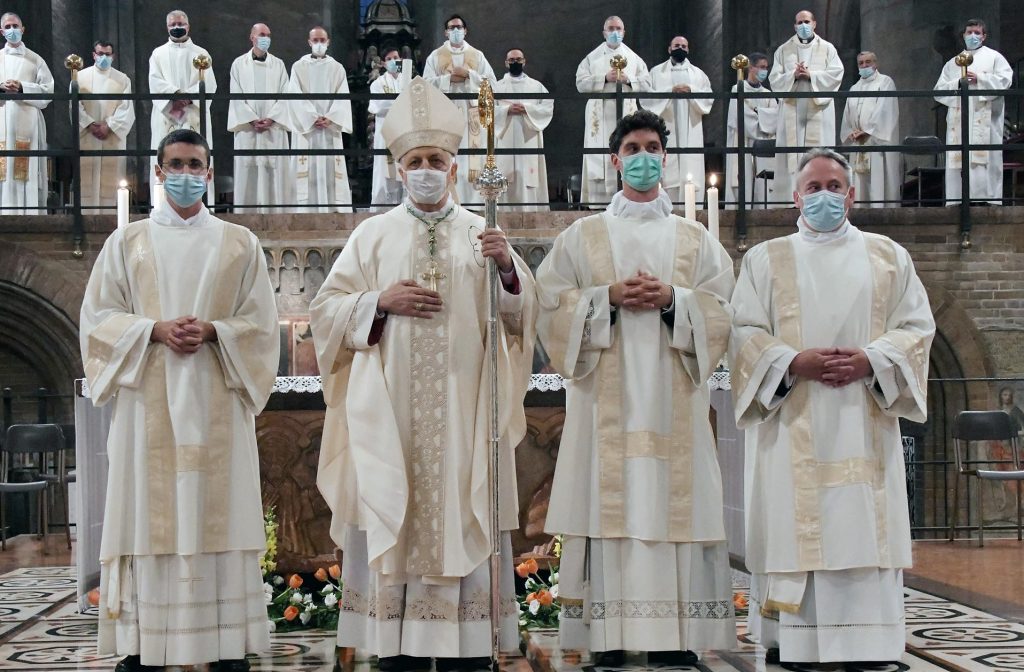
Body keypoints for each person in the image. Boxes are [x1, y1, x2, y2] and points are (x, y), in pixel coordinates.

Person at [310, 76, 536, 672]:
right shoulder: (372, 235)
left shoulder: (481, 235)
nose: (427, 169)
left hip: (465, 414)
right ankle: (398, 652)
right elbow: (326, 312)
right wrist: (378, 302)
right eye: (416, 160)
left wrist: (509, 269)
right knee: (394, 506)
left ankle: (464, 651)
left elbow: (521, 318)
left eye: (437, 159)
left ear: (456, 168)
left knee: (462, 510)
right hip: (391, 416)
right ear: (398, 169)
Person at [537, 109, 736, 666]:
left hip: (675, 402)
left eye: (653, 147)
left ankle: (674, 641)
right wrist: (608, 299)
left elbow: (725, 313)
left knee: (676, 507)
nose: (643, 157)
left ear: (666, 158)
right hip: (606, 403)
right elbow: (548, 307)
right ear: (614, 159)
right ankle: (610, 637)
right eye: (632, 148)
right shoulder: (583, 236)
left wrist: (675, 300)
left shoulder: (694, 240)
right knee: (610, 509)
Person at [81, 129, 280, 672]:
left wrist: (216, 331)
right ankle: (145, 648)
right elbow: (97, 321)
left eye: (196, 163)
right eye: (176, 164)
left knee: (219, 514)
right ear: (159, 172)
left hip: (217, 393)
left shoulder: (240, 243)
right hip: (149, 403)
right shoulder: (127, 243)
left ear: (209, 173)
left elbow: (262, 327)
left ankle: (225, 646)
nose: (187, 173)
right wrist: (152, 329)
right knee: (151, 516)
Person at [729, 148, 935, 665]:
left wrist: (872, 360)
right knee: (797, 522)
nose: (826, 195)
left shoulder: (888, 255)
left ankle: (867, 641)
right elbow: (742, 333)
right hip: (794, 415)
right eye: (815, 187)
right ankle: (795, 640)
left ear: (852, 193)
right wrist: (791, 362)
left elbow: (916, 329)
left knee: (861, 523)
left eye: (835, 185)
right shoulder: (766, 259)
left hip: (862, 417)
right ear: (795, 196)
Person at [934, 18, 1012, 205]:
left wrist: (980, 79)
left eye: (977, 33)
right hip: (960, 121)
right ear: (963, 35)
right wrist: (959, 83)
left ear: (984, 36)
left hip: (986, 121)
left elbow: (1005, 80)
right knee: (958, 160)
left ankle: (988, 201)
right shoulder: (953, 63)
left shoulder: (994, 57)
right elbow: (939, 91)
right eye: (969, 32)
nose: (973, 36)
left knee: (986, 160)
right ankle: (957, 200)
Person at [769, 10, 843, 203]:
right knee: (790, 156)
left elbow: (836, 74)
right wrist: (793, 75)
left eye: (806, 21)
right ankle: (789, 200)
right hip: (791, 111)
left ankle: (820, 197)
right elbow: (774, 80)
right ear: (795, 26)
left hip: (818, 109)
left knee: (818, 151)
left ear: (814, 24)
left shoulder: (827, 49)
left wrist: (811, 75)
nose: (803, 25)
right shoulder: (783, 50)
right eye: (800, 22)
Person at [576, 16, 650, 207]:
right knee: (599, 155)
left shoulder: (634, 58)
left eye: (618, 28)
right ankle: (599, 203)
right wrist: (603, 78)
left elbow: (648, 83)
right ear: (604, 32)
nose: (615, 32)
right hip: (599, 115)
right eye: (611, 28)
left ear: (624, 32)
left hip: (625, 114)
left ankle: (629, 196)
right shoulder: (592, 58)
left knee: (626, 148)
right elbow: (580, 82)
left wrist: (629, 79)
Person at [423, 14, 496, 206]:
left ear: (465, 30)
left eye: (459, 27)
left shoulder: (477, 55)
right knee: (447, 155)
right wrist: (449, 79)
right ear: (446, 32)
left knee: (471, 160)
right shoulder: (435, 56)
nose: (456, 31)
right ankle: (447, 201)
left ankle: (473, 204)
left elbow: (492, 84)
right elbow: (426, 84)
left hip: (470, 114)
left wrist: (468, 75)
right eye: (451, 28)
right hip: (445, 113)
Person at [147, 10, 217, 203]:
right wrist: (176, 95)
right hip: (167, 115)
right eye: (173, 25)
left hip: (193, 115)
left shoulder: (201, 54)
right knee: (167, 157)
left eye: (181, 24)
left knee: (196, 156)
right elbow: (155, 82)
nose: (177, 28)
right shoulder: (158, 54)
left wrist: (188, 97)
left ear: (188, 26)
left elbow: (209, 84)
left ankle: (201, 204)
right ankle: (162, 204)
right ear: (167, 27)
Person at [228, 23, 294, 213]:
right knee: (249, 174)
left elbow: (285, 94)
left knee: (274, 175)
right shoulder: (239, 64)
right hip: (249, 130)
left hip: (273, 130)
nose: (266, 38)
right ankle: (246, 219)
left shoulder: (279, 64)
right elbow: (235, 94)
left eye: (268, 35)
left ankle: (277, 219)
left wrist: (272, 118)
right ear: (252, 38)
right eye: (261, 34)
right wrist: (250, 119)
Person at [289, 26, 354, 213]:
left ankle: (333, 208)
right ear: (309, 42)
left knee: (329, 168)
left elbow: (343, 95)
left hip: (329, 129)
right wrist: (312, 117)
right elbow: (293, 95)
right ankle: (304, 210)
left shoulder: (337, 68)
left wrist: (331, 118)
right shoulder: (298, 67)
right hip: (307, 130)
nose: (319, 44)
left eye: (322, 40)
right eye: (315, 40)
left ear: (328, 42)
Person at [645, 36, 713, 205]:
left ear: (688, 50)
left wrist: (691, 89)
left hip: (691, 126)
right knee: (669, 172)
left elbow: (708, 98)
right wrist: (671, 90)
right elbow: (647, 98)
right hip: (667, 125)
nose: (680, 48)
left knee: (691, 167)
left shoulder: (698, 74)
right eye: (677, 45)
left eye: (684, 46)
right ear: (669, 49)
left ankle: (692, 207)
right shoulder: (656, 72)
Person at [0, 12, 52, 214]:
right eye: (8, 26)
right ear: (2, 31)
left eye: (16, 26)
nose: (12, 30)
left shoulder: (35, 60)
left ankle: (30, 216)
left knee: (25, 170)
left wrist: (22, 88)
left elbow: (48, 92)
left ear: (23, 29)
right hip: (2, 124)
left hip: (27, 124)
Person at [77, 41, 135, 214]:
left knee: (112, 182)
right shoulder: (79, 77)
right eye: (100, 53)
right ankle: (86, 217)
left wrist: (108, 126)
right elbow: (75, 106)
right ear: (93, 55)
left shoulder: (122, 79)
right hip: (88, 135)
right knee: (87, 179)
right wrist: (89, 124)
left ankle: (111, 218)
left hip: (111, 136)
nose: (103, 57)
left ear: (113, 56)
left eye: (107, 54)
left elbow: (126, 108)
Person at [493, 48, 553, 212]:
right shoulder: (497, 86)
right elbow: (487, 109)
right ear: (506, 63)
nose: (515, 63)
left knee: (529, 176)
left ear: (524, 61)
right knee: (505, 175)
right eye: (511, 60)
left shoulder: (536, 86)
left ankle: (531, 211)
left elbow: (547, 107)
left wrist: (526, 109)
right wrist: (506, 111)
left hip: (528, 137)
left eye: (518, 59)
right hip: (505, 135)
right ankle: (504, 213)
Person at [841, 51, 900, 208]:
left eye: (868, 62)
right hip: (858, 143)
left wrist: (868, 131)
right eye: (861, 63)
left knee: (877, 181)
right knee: (859, 183)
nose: (865, 66)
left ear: (876, 64)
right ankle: (860, 213)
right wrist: (851, 132)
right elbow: (847, 114)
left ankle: (879, 212)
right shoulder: (854, 88)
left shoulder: (885, 82)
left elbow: (885, 110)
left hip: (876, 141)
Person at [726, 52, 778, 209]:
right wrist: (763, 116)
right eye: (761, 67)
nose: (765, 71)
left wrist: (758, 113)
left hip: (763, 143)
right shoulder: (738, 89)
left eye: (766, 67)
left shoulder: (768, 94)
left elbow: (776, 118)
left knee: (762, 182)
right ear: (751, 68)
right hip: (743, 141)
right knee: (744, 178)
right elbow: (738, 117)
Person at [368, 47, 409, 211]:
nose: (394, 61)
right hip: (386, 133)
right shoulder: (378, 84)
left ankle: (404, 205)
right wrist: (401, 102)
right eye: (390, 58)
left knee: (404, 167)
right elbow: (378, 105)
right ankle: (382, 208)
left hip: (404, 131)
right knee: (384, 170)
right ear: (384, 63)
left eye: (396, 57)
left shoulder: (408, 81)